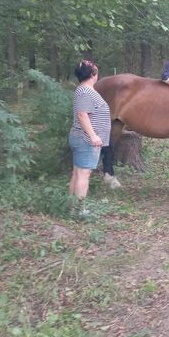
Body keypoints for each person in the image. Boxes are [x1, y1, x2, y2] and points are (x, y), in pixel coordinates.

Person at [68, 59, 111, 218]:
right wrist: (93, 136)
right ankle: (80, 211)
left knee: (78, 173)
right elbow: (82, 114)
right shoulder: (85, 91)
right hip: (85, 139)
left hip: (83, 138)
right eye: (95, 70)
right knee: (83, 174)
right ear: (93, 74)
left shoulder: (85, 90)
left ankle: (72, 207)